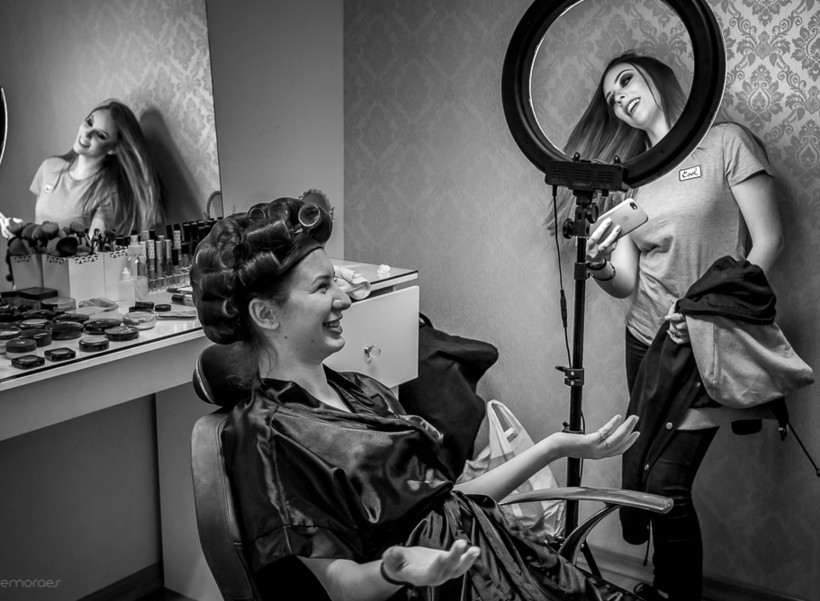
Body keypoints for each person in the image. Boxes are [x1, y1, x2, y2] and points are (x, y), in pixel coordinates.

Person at [191, 194, 645, 601]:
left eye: (336, 282)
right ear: (265, 313)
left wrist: (555, 447)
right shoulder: (268, 438)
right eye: (322, 287)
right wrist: (395, 570)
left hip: (496, 562)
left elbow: (451, 505)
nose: (345, 298)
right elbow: (340, 585)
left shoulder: (362, 391)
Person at [572, 52, 784, 601]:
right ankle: (662, 588)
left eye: (625, 81)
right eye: (611, 98)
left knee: (667, 483)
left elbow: (768, 242)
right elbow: (625, 282)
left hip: (707, 339)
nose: (619, 97)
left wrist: (709, 315)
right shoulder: (632, 179)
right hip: (646, 341)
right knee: (644, 471)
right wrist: (599, 265)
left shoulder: (726, 143)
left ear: (658, 79)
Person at [28, 99, 160, 237]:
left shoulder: (108, 194)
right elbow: (37, 225)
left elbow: (95, 247)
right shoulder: (49, 167)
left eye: (100, 135)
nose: (86, 134)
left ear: (113, 148)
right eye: (89, 122)